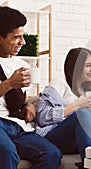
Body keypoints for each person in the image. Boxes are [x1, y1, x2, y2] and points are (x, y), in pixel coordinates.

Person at [35, 47, 91, 163]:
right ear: (75, 67)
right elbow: (42, 117)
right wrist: (78, 104)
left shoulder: (88, 88)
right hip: (54, 137)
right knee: (82, 113)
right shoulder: (60, 82)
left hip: (80, 139)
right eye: (88, 65)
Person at [0, 6, 61, 169]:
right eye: (16, 37)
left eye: (23, 36)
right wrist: (9, 84)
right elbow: (8, 89)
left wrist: (27, 105)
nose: (23, 42)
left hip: (17, 125)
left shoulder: (20, 64)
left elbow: (17, 99)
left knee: (52, 154)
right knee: (7, 152)